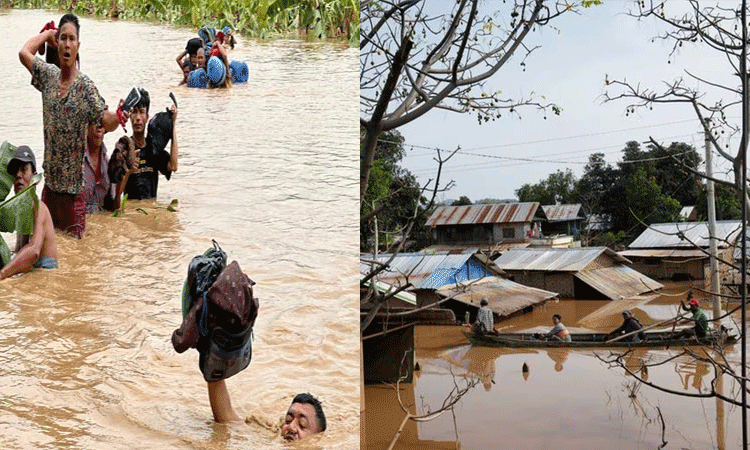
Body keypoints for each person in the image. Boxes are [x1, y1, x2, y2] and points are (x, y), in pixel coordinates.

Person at [19, 13, 122, 239]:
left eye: (72, 39)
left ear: (78, 46)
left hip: (74, 198)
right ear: (58, 43)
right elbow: (24, 53)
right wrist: (46, 35)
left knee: (76, 257)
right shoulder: (48, 76)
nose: (67, 44)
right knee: (48, 261)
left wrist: (120, 115)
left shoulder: (85, 87)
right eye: (62, 38)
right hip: (50, 191)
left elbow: (106, 121)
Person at [0, 146, 58, 279]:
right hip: (32, 271)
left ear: (34, 176)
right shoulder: (21, 212)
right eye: (15, 171)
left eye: (23, 170)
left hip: (46, 273)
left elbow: (34, 251)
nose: (18, 175)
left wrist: (2, 274)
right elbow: (19, 251)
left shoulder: (39, 208)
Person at [115, 88, 178, 201]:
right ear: (129, 116)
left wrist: (172, 124)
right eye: (134, 112)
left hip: (151, 212)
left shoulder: (153, 147)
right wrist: (129, 171)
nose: (138, 118)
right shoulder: (124, 146)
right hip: (130, 214)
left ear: (147, 117)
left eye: (141, 112)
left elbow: (173, 166)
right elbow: (116, 193)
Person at [83, 122, 112, 214]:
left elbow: (112, 206)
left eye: (102, 123)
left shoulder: (108, 163)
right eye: (94, 122)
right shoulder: (76, 161)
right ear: (86, 127)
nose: (99, 128)